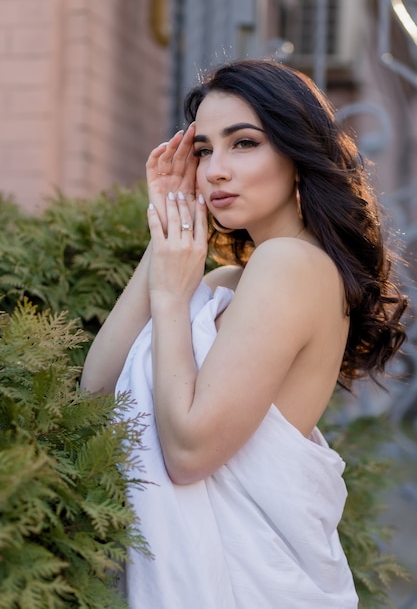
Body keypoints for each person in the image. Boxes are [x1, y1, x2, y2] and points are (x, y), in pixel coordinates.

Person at [81, 59, 407, 608]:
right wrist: (167, 235)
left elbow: (187, 454)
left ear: (298, 154)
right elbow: (96, 391)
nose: (215, 171)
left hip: (245, 585)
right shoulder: (232, 280)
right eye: (204, 150)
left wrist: (171, 297)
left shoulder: (291, 266)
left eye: (245, 143)